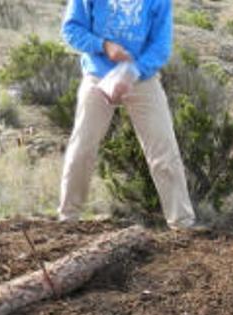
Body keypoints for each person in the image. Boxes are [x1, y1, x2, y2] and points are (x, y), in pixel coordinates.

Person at [59, 0, 204, 230]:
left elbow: (161, 45)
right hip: (98, 77)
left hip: (142, 78)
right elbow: (71, 29)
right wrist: (103, 45)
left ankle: (182, 222)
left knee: (163, 148)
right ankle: (68, 218)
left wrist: (132, 72)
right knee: (82, 146)